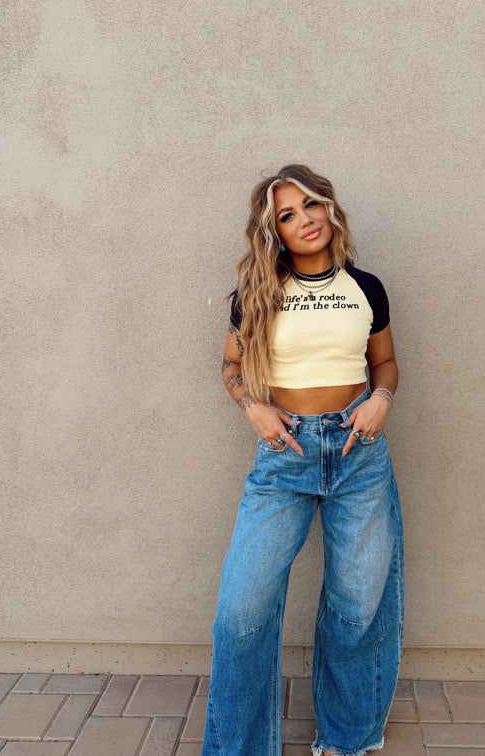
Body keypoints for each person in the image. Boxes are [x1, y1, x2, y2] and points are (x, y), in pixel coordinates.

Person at [202, 164, 405, 756]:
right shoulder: (259, 294)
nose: (304, 220)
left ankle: (345, 741)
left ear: (329, 208)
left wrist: (381, 399)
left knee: (357, 606)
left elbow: (384, 363)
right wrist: (253, 409)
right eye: (287, 215)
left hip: (358, 452)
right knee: (242, 610)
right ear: (275, 232)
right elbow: (231, 366)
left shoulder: (367, 288)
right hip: (283, 457)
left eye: (310, 205)